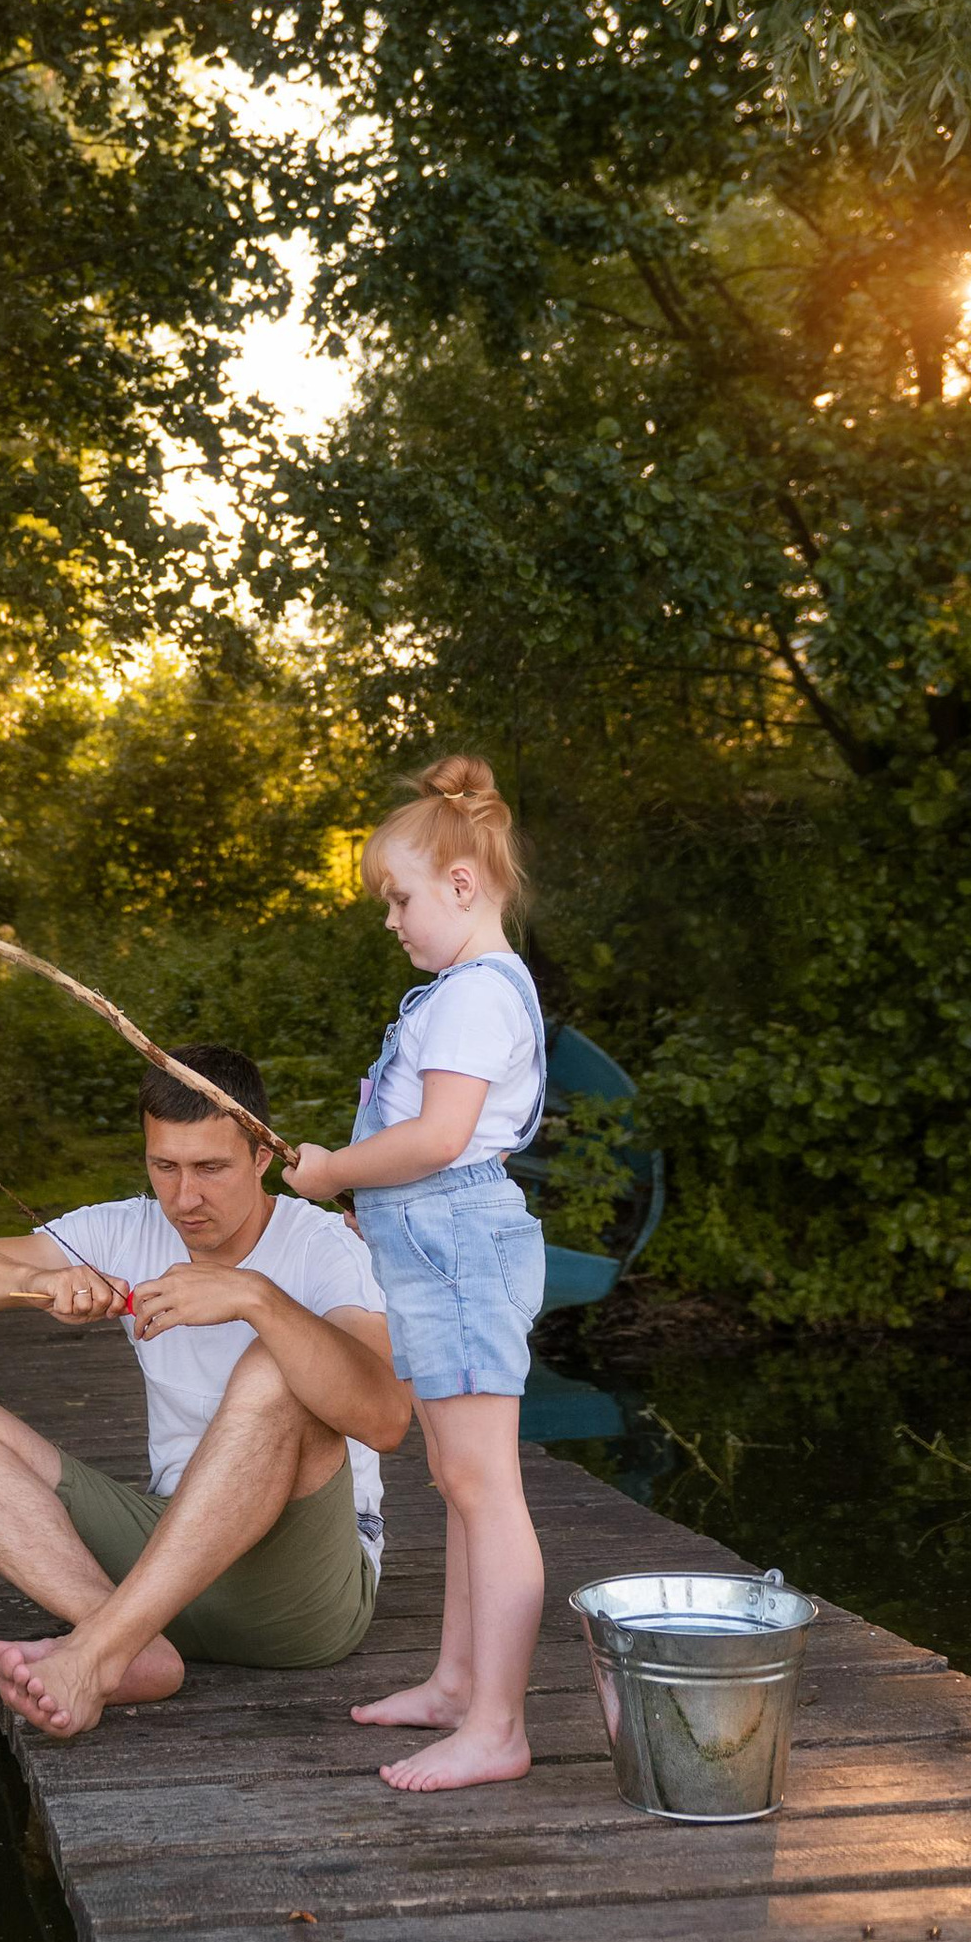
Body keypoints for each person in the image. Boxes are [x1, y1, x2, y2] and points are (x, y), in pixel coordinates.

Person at [0, 1043, 408, 1742]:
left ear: (263, 1156)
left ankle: (95, 1652)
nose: (185, 1197)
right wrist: (38, 1285)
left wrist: (257, 1299)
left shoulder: (324, 1249)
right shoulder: (126, 1228)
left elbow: (384, 1417)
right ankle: (127, 1646)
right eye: (164, 1166)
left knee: (272, 1366)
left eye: (211, 1169)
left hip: (299, 1599)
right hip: (165, 1569)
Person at [283, 756, 547, 1793]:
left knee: (489, 1492)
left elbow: (439, 1139)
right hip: (432, 1245)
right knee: (456, 1481)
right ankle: (453, 1685)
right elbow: (427, 1142)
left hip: (459, 1250)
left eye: (397, 899)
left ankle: (498, 1727)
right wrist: (363, 1188)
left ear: (461, 886)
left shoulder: (473, 998)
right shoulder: (460, 994)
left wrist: (337, 1171)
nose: (389, 920)